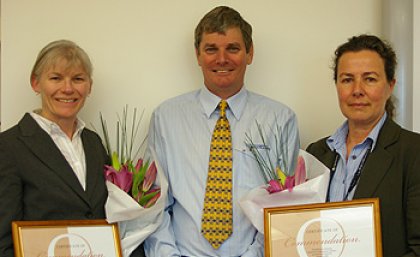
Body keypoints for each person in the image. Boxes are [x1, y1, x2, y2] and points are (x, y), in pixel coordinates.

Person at [144, 6, 300, 257]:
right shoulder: (166, 118)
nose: (222, 59)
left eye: (233, 48)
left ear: (250, 53)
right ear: (197, 55)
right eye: (211, 49)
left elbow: (283, 208)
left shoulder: (280, 119)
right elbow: (154, 204)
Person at [0, 40, 144, 257]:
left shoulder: (93, 143)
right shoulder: (9, 146)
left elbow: (110, 215)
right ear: (36, 83)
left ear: (89, 86)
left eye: (77, 79)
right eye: (56, 78)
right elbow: (3, 240)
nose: (67, 88)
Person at [306, 34, 420, 256]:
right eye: (347, 79)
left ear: (390, 86)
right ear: (337, 85)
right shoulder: (316, 153)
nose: (357, 90)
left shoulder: (414, 153)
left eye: (369, 79)